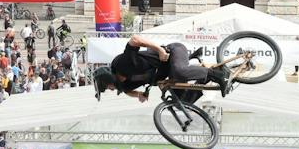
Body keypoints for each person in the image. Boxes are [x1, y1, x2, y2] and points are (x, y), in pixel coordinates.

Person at [93, 35, 225, 105]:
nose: (110, 89)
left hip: (173, 52)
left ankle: (217, 75)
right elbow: (128, 92)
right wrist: (139, 95)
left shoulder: (122, 64)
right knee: (182, 102)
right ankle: (204, 78)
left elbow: (135, 39)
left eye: (107, 87)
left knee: (180, 72)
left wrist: (159, 50)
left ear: (107, 78)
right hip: (169, 71)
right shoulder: (124, 85)